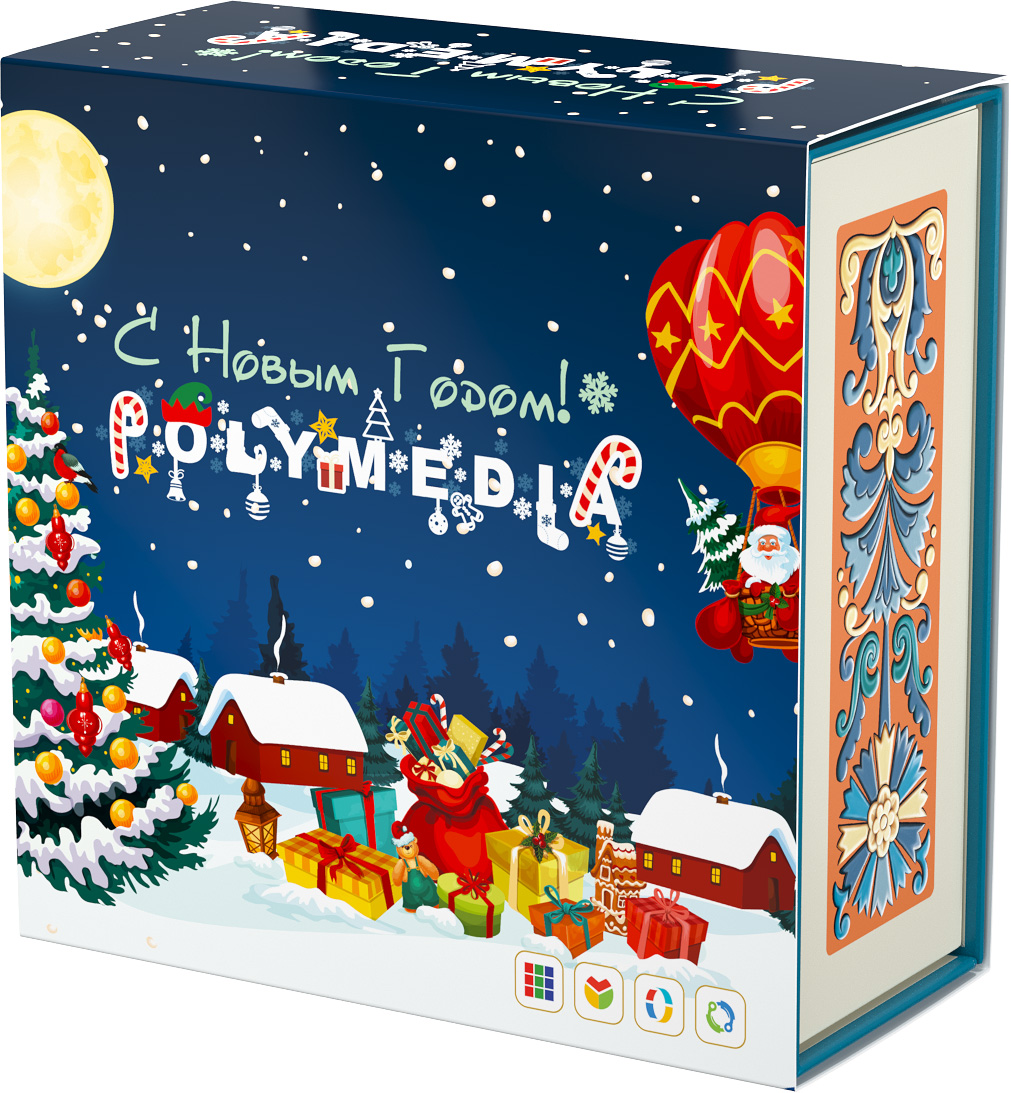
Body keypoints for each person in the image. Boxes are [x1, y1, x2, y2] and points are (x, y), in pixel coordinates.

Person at [390, 821, 440, 912]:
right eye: (404, 847)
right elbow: (397, 877)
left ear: (415, 842)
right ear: (398, 848)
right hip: (410, 893)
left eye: (410, 846)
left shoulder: (420, 859)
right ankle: (412, 908)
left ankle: (433, 904)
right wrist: (397, 881)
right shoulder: (401, 863)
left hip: (427, 888)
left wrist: (434, 875)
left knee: (434, 903)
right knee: (411, 908)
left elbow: (430, 868)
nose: (408, 850)